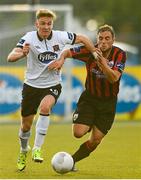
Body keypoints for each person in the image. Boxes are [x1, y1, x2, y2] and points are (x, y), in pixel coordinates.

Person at [7, 9, 96, 171]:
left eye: (49, 24)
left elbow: (82, 38)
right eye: (43, 24)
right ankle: (23, 150)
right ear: (37, 24)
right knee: (26, 126)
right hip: (31, 86)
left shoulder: (60, 36)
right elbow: (11, 56)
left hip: (52, 84)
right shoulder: (29, 38)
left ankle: (37, 149)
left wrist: (95, 52)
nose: (46, 27)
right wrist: (21, 54)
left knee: (45, 107)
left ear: (52, 25)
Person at [48, 24, 127, 170]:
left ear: (113, 40)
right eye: (100, 38)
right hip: (90, 98)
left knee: (95, 141)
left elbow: (114, 78)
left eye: (107, 39)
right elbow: (67, 52)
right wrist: (61, 59)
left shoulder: (120, 54)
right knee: (78, 133)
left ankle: (71, 161)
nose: (103, 42)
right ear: (97, 39)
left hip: (108, 103)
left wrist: (103, 62)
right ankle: (89, 122)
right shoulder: (90, 51)